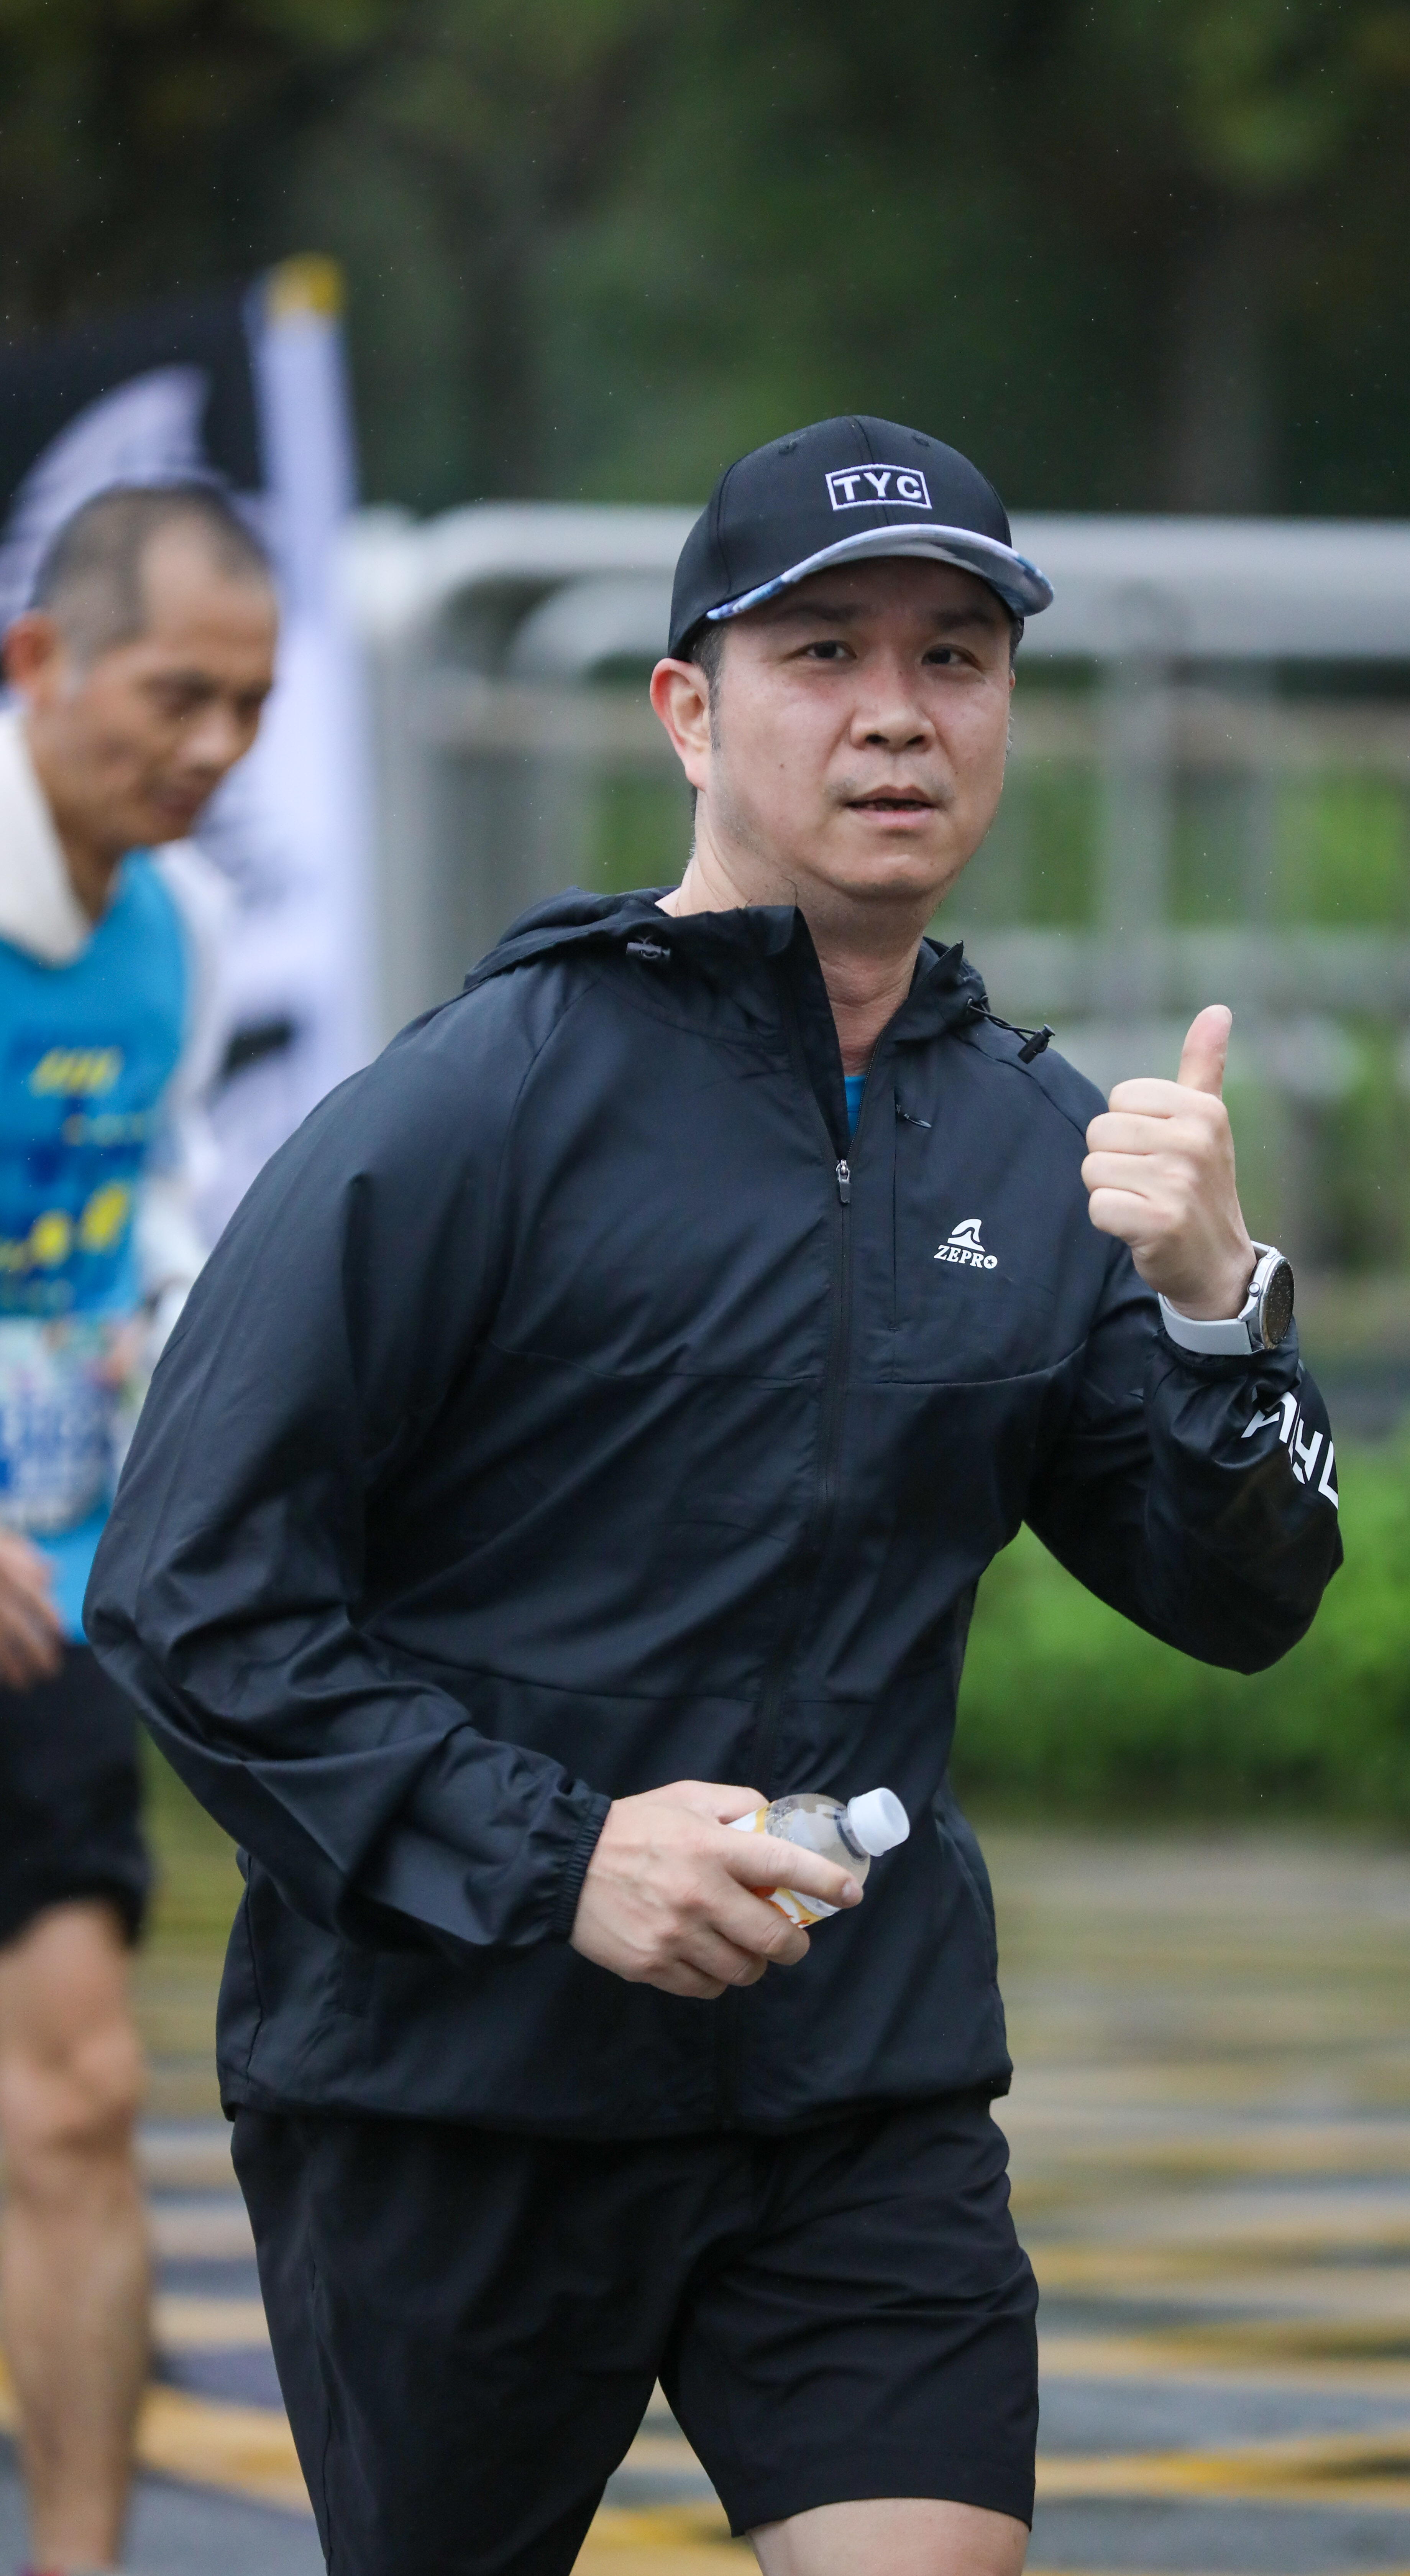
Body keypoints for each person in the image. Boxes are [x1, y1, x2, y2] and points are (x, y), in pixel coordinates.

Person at [88, 417, 1341, 2576]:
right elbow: (187, 1592)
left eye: (954, 658)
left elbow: (1238, 1599)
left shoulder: (1037, 1146)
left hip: (855, 2094)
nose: (896, 713)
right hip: (452, 2086)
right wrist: (560, 1857)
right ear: (688, 710)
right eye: (823, 652)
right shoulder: (478, 1105)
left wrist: (1225, 1311)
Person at [0, 481, 275, 2576]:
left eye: (248, 707)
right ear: (38, 662)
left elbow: (155, 1226)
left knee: (84, 2098)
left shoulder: (182, 929)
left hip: (48, 1608)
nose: (214, 748)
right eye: (177, 695)